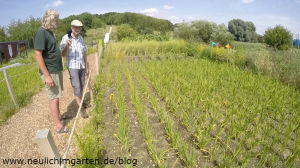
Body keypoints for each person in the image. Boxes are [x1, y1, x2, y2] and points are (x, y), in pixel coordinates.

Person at [34, 9, 68, 133]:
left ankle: (59, 116)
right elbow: (38, 54)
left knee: (57, 95)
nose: (58, 22)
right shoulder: (41, 33)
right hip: (50, 71)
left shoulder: (49, 32)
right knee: (53, 97)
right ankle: (58, 126)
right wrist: (47, 76)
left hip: (55, 70)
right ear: (51, 19)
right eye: (56, 20)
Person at [60, 19, 89, 118]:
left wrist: (87, 67)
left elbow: (84, 53)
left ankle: (81, 101)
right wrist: (67, 46)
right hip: (72, 66)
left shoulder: (81, 38)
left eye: (79, 27)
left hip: (81, 65)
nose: (77, 29)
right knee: (76, 86)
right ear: (71, 27)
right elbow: (63, 55)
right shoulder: (65, 38)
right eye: (75, 27)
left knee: (81, 85)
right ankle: (81, 109)